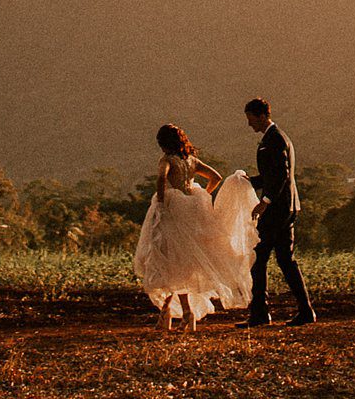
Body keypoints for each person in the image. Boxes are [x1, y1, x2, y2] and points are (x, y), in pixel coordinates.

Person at [131, 123, 253, 331]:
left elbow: (161, 178)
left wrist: (161, 204)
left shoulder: (166, 160)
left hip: (172, 212)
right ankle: (168, 313)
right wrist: (202, 194)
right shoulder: (191, 160)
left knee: (167, 261)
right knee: (180, 264)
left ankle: (180, 313)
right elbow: (216, 177)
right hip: (192, 211)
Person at [240, 97, 316, 326]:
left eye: (251, 118)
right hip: (288, 206)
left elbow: (281, 175)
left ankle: (260, 313)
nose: (249, 124)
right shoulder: (278, 138)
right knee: (285, 260)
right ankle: (305, 311)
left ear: (262, 115)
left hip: (277, 210)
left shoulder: (274, 139)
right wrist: (248, 182)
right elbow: (271, 175)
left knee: (258, 258)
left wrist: (265, 201)